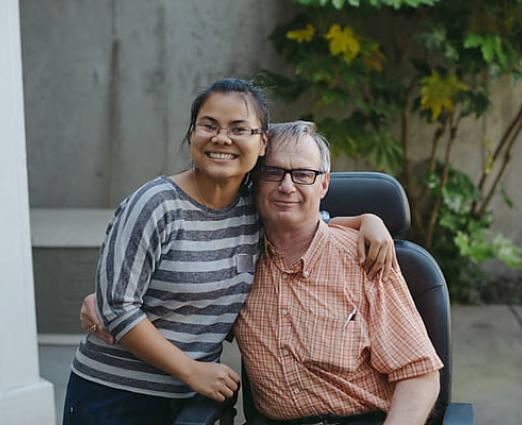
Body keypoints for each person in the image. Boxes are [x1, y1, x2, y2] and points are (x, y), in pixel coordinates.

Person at [66, 79, 397, 425]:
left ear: (262, 141)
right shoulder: (155, 205)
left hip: (191, 401)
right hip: (116, 396)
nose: (222, 139)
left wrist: (367, 220)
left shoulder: (253, 211)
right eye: (209, 125)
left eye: (239, 129)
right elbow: (117, 306)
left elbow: (305, 222)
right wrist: (191, 371)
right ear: (193, 132)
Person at [233, 121, 443, 425]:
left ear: (324, 185)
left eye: (303, 174)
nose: (287, 186)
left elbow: (419, 377)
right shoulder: (237, 260)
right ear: (256, 181)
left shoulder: (364, 258)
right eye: (273, 172)